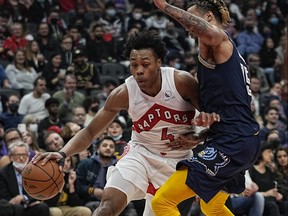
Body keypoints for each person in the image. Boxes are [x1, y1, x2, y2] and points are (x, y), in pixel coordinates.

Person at [32, 30, 218, 215]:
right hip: (140, 155)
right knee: (107, 208)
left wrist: (199, 137)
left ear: (159, 62)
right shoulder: (124, 93)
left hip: (178, 161)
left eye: (145, 64)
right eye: (134, 64)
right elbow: (90, 132)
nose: (139, 70)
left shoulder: (181, 82)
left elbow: (217, 121)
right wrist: (63, 153)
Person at [151, 1, 261, 215]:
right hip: (241, 139)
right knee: (212, 206)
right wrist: (200, 138)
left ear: (209, 17)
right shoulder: (225, 59)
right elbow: (228, 113)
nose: (188, 29)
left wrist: (165, 6)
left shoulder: (220, 39)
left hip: (234, 142)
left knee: (162, 203)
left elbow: (205, 31)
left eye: (191, 21)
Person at [0, 141, 50, 216]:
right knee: (14, 208)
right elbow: (4, 197)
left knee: (42, 207)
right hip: (12, 209)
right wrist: (16, 202)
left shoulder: (34, 172)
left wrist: (24, 198)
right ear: (11, 157)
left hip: (29, 206)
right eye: (18, 155)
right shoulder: (3, 173)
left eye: (24, 155)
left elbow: (37, 192)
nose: (21, 158)